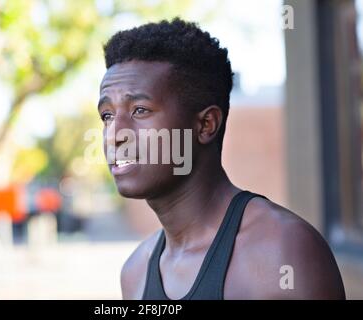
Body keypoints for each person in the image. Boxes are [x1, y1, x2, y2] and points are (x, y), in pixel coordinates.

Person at [97, 18, 345, 300]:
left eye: (140, 110)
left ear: (205, 125)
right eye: (107, 116)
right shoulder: (135, 272)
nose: (113, 135)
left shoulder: (281, 253)